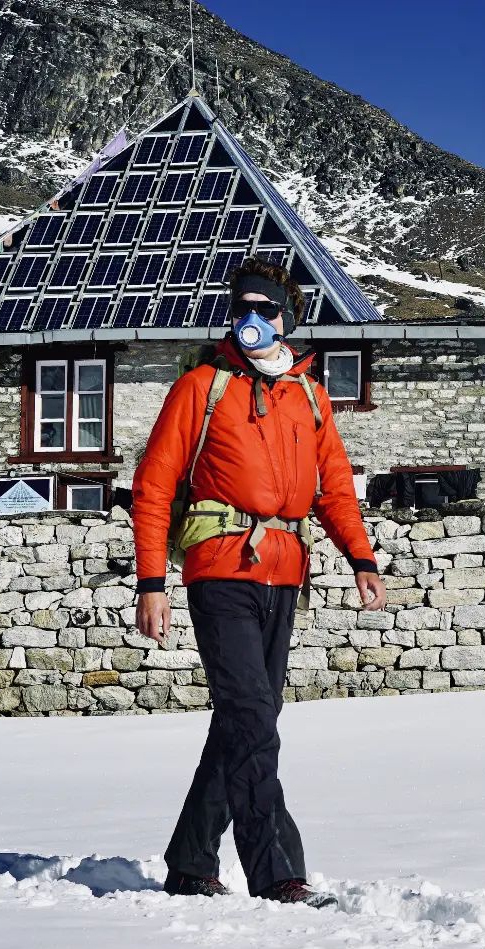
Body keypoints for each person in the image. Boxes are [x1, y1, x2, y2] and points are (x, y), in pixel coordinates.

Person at [131, 257, 386, 907]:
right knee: (251, 715)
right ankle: (277, 872)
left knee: (248, 719)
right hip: (219, 567)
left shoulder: (310, 397)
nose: (251, 319)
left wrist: (360, 558)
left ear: (286, 319)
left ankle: (190, 861)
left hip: (285, 573)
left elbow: (334, 490)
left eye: (264, 309)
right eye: (241, 307)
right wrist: (151, 582)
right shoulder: (201, 386)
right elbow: (154, 484)